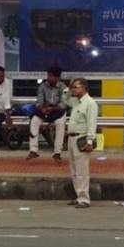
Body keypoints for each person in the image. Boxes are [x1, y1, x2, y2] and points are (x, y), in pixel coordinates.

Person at [65, 77, 98, 209]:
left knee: (82, 171)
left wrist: (90, 141)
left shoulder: (90, 103)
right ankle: (79, 195)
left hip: (82, 139)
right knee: (74, 170)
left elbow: (91, 124)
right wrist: (68, 88)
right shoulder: (75, 102)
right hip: (71, 138)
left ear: (84, 88)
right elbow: (65, 98)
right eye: (73, 87)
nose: (73, 90)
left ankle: (84, 199)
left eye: (76, 87)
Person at [26, 66, 69, 162]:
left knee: (60, 124)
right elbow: (39, 102)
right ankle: (33, 150)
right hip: (44, 110)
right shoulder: (42, 86)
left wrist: (52, 108)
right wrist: (42, 108)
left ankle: (57, 153)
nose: (48, 78)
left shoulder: (63, 87)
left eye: (51, 76)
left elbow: (64, 104)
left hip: (57, 111)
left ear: (57, 78)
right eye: (48, 75)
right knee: (34, 121)